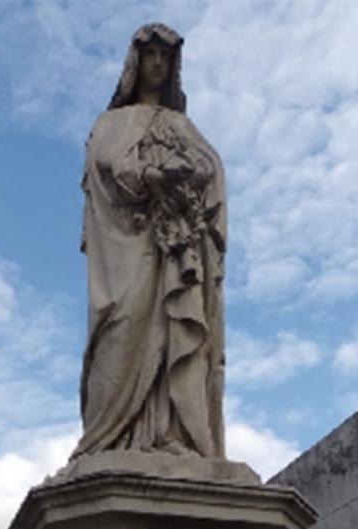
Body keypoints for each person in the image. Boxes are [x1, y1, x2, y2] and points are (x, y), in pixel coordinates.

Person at [72, 23, 226, 459]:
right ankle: (110, 440)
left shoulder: (181, 124)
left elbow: (211, 171)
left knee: (177, 330)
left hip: (176, 251)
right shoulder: (112, 122)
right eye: (151, 54)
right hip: (130, 248)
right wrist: (153, 176)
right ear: (135, 62)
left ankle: (175, 432)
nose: (158, 63)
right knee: (122, 328)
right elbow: (106, 165)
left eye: (167, 57)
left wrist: (188, 182)